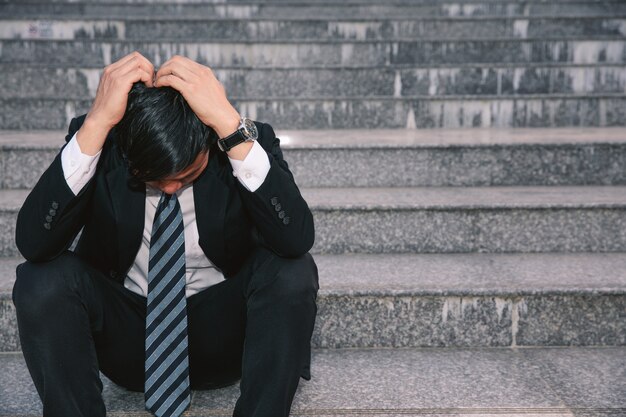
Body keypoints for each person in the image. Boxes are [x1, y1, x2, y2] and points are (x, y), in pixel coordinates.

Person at [12, 51, 319, 417]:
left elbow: (295, 240)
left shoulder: (241, 137)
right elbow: (34, 244)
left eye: (187, 174)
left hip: (224, 336)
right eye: (154, 178)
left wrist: (228, 124)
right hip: (129, 338)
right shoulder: (106, 139)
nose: (171, 188)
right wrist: (95, 125)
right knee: (40, 279)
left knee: (293, 271)